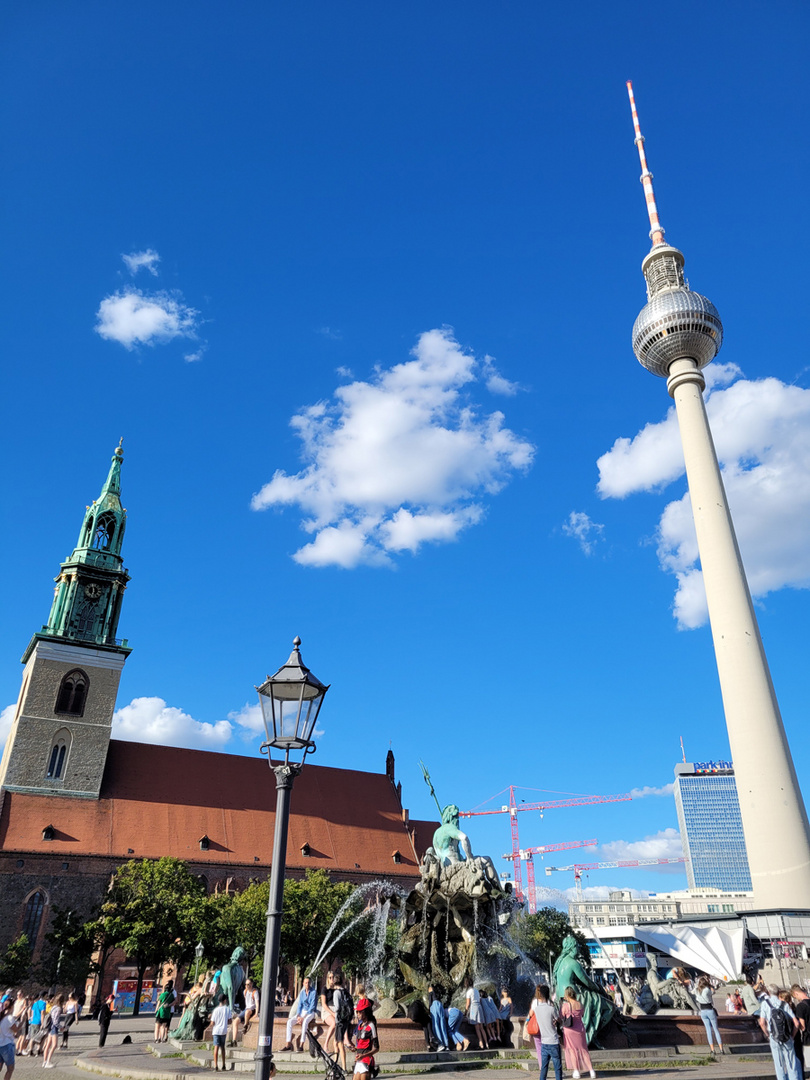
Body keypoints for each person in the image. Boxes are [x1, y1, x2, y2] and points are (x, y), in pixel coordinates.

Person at [759, 985, 801, 1080]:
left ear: (768, 993)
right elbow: (796, 1023)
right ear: (778, 993)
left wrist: (767, 1034)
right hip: (786, 1037)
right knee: (791, 1063)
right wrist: (792, 1036)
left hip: (774, 1036)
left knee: (779, 1065)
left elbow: (762, 1023)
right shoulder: (784, 1004)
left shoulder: (765, 1004)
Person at [560, 985, 596, 1080]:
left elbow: (561, 1016)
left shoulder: (566, 1005)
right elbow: (582, 1014)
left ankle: (576, 1071)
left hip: (569, 1030)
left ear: (566, 995)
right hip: (580, 1029)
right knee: (584, 1050)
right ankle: (591, 1071)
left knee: (572, 1050)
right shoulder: (580, 1004)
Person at [529, 984, 561, 1080]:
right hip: (553, 1041)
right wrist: (557, 1021)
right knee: (557, 1068)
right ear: (548, 995)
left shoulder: (537, 1009)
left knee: (544, 1068)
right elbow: (558, 1020)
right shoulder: (551, 1009)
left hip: (544, 1042)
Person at [282, 977, 318, 1052]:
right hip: (302, 1012)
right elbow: (300, 1005)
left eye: (308, 982)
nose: (307, 984)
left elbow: (312, 1006)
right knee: (289, 1022)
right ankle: (288, 1044)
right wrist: (298, 1015)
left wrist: (303, 1017)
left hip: (310, 1012)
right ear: (303, 984)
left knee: (305, 1023)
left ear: (310, 983)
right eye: (306, 983)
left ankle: (301, 1045)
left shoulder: (313, 992)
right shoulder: (302, 993)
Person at [696, 977, 723, 1054]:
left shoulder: (697, 991)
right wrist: (710, 985)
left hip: (703, 1011)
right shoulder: (707, 990)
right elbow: (713, 992)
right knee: (716, 1030)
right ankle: (721, 1049)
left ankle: (712, 1050)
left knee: (708, 1030)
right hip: (710, 1010)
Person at [331, 974, 352, 1071]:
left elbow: (338, 1008)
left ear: (334, 982)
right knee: (335, 1042)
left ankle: (344, 1068)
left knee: (340, 1043)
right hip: (346, 1019)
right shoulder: (346, 992)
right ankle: (335, 1063)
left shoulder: (336, 993)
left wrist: (333, 1009)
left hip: (339, 1020)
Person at [353, 1004, 379, 1079]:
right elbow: (361, 1045)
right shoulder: (359, 1025)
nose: (357, 1014)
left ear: (366, 1012)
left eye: (359, 1012)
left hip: (366, 1061)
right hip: (359, 1060)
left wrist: (363, 1055)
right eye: (357, 1012)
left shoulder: (371, 1026)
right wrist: (354, 1048)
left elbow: (377, 1048)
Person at [0, 997, 22, 1080]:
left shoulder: (2, 1017)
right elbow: (16, 1030)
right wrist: (22, 1022)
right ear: (12, 1007)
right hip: (6, 1044)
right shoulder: (9, 1018)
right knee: (10, 1068)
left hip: (0, 1043)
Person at [790, 985, 810, 1074]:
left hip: (808, 1038)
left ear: (796, 993)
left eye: (795, 997)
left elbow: (802, 1026)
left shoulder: (800, 1006)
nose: (796, 999)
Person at [464, 978, 487, 1049]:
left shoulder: (469, 992)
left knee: (477, 1027)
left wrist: (465, 1013)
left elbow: (468, 1004)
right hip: (479, 1007)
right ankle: (486, 1043)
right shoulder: (476, 990)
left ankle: (481, 1043)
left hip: (474, 1008)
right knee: (481, 1027)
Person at [42, 994, 63, 1068]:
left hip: (50, 1026)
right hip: (54, 1027)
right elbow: (56, 1021)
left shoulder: (53, 1007)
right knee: (54, 1045)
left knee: (48, 1045)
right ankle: (48, 1061)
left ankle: (44, 1061)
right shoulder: (58, 1009)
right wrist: (61, 1027)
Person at [210, 994, 231, 1072]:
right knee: (223, 1048)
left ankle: (215, 1066)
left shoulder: (215, 1010)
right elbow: (230, 1020)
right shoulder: (227, 1009)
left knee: (216, 1047)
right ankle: (224, 1065)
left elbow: (212, 1023)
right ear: (225, 1000)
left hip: (216, 1031)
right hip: (223, 1031)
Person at [428, 988, 451, 1053]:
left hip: (434, 1006)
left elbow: (430, 1001)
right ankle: (447, 1045)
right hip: (440, 1005)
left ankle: (440, 1044)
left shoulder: (431, 993)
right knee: (442, 1026)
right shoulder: (437, 992)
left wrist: (429, 1009)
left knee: (436, 1026)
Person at [320, 972, 337, 1053]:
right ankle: (325, 1045)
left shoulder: (336, 989)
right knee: (333, 1023)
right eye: (330, 977)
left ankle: (338, 1044)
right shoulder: (324, 989)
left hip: (335, 1009)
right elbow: (323, 1004)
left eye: (333, 977)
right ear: (327, 979)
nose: (332, 979)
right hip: (327, 1010)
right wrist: (332, 1013)